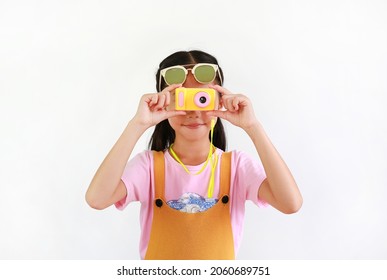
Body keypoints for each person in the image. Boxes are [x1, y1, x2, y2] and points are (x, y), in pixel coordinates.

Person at [85, 50, 303, 260]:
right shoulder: (149, 167)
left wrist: (253, 126)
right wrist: (137, 124)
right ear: (163, 101)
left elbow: (290, 203)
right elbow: (97, 199)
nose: (194, 112)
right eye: (182, 99)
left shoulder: (236, 167)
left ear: (219, 100)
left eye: (202, 98)